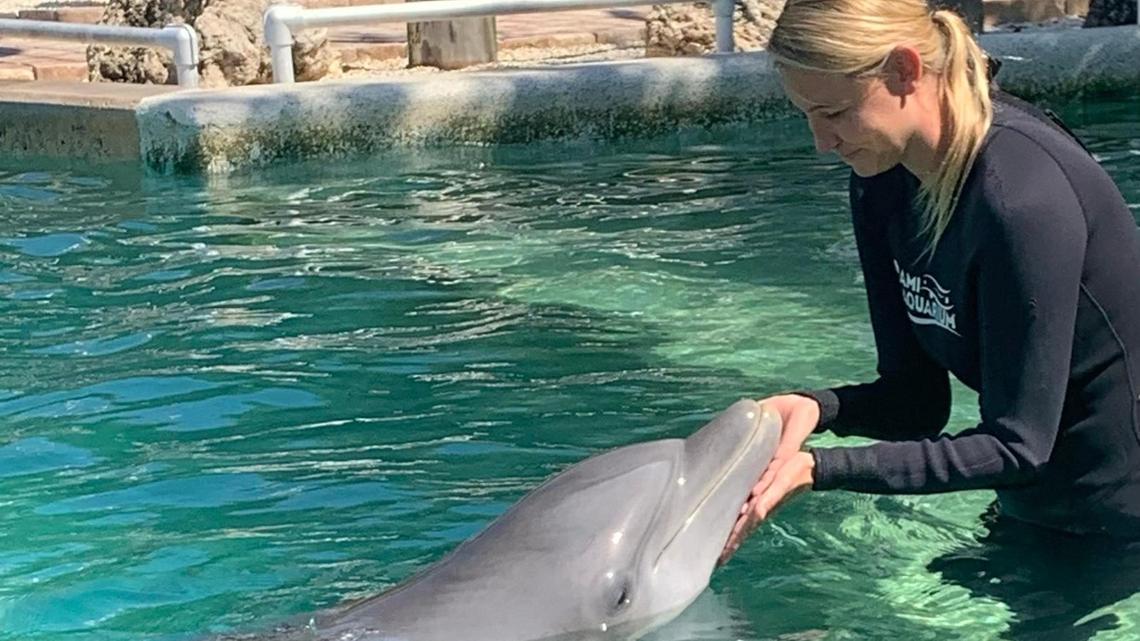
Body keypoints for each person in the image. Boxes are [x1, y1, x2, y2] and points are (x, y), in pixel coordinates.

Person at [718, 0, 1140, 565]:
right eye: (808, 115)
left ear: (904, 70)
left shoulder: (1020, 197)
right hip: (1031, 501)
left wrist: (818, 469)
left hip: (1118, 522)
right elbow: (916, 403)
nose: (821, 141)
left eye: (835, 112)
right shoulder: (881, 178)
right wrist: (817, 408)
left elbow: (1018, 445)